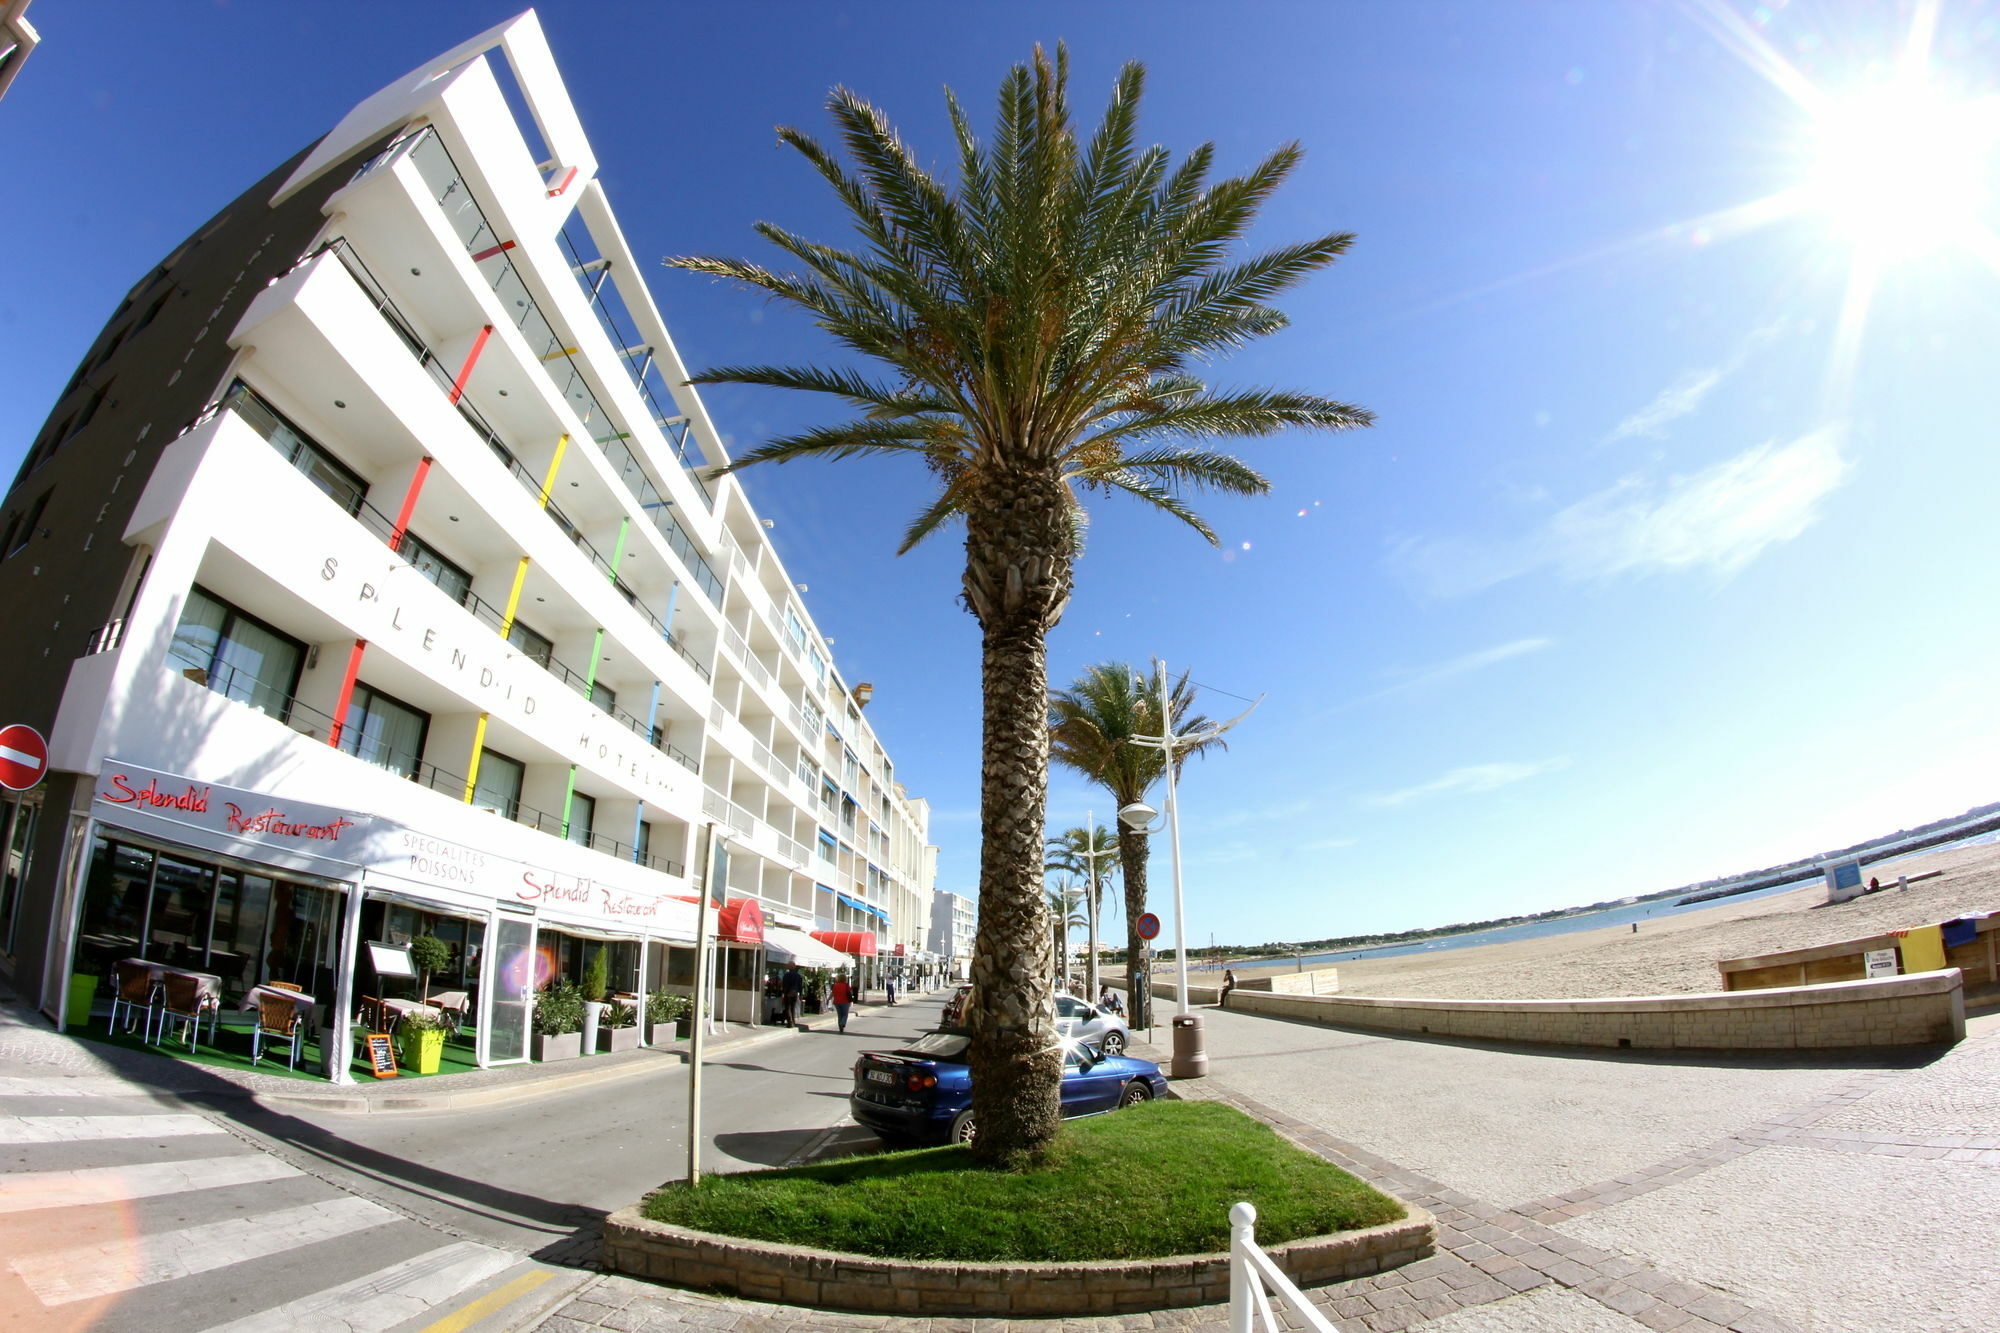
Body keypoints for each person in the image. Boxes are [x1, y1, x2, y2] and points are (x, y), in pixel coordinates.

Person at [781, 964, 803, 1028]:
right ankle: (793, 1022)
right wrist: (800, 994)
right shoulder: (798, 976)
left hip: (788, 992)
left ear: (789, 967)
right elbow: (800, 986)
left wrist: (783, 993)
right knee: (793, 1008)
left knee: (788, 1007)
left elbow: (785, 985)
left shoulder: (787, 975)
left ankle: (790, 1023)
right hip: (795, 993)